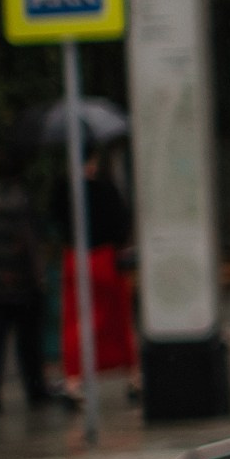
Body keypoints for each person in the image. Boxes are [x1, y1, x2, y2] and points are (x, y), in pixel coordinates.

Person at [0, 153, 55, 413]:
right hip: (19, 285)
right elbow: (30, 243)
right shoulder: (21, 203)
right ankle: (35, 389)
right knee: (28, 341)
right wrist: (39, 277)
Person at [59, 149, 140, 402]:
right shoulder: (106, 190)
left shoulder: (64, 191)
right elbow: (122, 224)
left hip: (75, 259)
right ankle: (133, 377)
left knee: (77, 322)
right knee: (117, 320)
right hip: (105, 259)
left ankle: (74, 381)